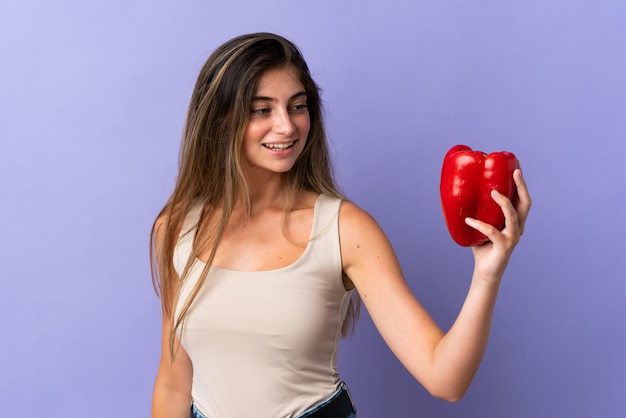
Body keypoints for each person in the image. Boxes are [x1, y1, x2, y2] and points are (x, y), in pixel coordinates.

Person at [150, 32, 532, 418]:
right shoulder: (177, 228)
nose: (286, 126)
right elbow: (173, 381)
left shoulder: (345, 230)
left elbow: (445, 378)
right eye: (261, 110)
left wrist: (486, 275)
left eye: (297, 107)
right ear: (220, 117)